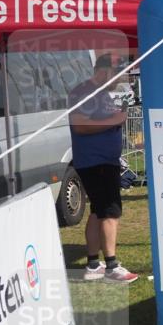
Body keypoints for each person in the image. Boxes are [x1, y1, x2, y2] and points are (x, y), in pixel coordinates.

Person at [67, 54, 138, 283]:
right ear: (103, 71)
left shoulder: (114, 92)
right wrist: (114, 120)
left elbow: (120, 112)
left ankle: (93, 264)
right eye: (117, 73)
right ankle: (112, 266)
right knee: (110, 210)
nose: (121, 78)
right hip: (94, 161)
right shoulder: (83, 92)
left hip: (107, 159)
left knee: (98, 211)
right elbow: (79, 126)